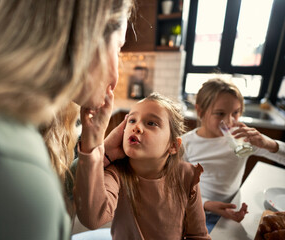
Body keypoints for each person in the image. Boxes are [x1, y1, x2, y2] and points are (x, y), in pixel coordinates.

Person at [0, 0, 134, 239]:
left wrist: (98, 148)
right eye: (118, 48)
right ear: (89, 40)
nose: (117, 73)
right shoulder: (10, 172)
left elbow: (54, 180)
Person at [74, 93, 211, 240]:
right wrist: (92, 147)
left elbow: (198, 235)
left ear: (173, 146)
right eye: (131, 120)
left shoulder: (187, 175)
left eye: (151, 123)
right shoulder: (115, 173)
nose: (137, 127)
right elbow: (92, 218)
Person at [181, 78, 285, 233]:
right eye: (220, 113)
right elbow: (175, 188)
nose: (229, 121)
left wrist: (268, 143)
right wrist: (206, 204)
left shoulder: (242, 140)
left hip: (231, 212)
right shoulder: (186, 144)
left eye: (235, 113)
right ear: (200, 111)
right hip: (196, 211)